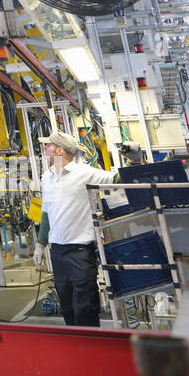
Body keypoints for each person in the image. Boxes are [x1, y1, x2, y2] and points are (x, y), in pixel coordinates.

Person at [34, 131, 116, 327]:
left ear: (60, 150)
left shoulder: (85, 173)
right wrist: (40, 244)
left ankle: (91, 346)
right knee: (67, 303)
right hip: (58, 252)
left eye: (49, 146)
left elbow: (118, 178)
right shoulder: (47, 178)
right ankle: (75, 342)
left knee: (85, 304)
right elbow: (46, 213)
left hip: (81, 251)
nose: (45, 149)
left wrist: (135, 160)